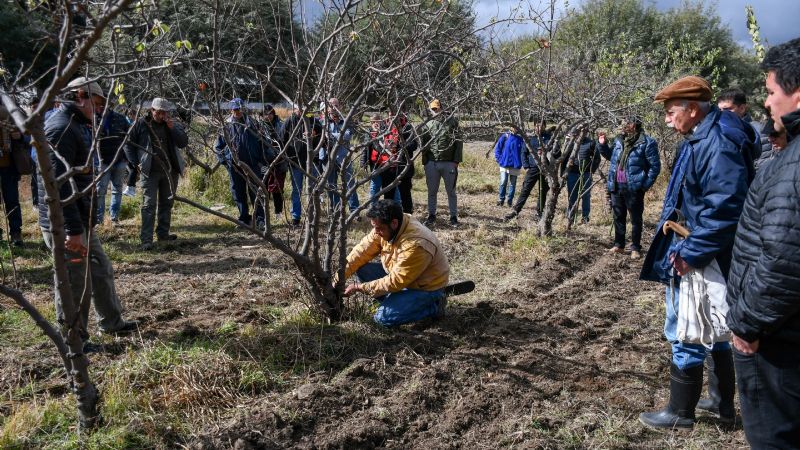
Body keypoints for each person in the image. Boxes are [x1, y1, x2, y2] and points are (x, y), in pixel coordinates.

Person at [639, 75, 754, 429]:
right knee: (713, 323)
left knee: (684, 324)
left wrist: (690, 252)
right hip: (705, 245)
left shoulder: (716, 142)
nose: (667, 120)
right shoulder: (703, 135)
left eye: (670, 112)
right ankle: (720, 403)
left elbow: (724, 208)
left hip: (702, 248)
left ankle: (680, 412)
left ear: (692, 109)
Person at [725, 37, 800, 448]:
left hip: (777, 339)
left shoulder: (795, 163)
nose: (767, 103)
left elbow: (784, 257)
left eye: (771, 92)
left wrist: (747, 323)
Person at [40, 77, 138, 347]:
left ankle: (112, 323)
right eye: (95, 104)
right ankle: (74, 341)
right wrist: (72, 231)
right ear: (80, 96)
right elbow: (59, 186)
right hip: (65, 225)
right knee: (74, 283)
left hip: (80, 219)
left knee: (100, 268)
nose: (98, 110)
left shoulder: (79, 125)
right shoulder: (61, 128)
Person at [342, 199, 449, 327]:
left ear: (394, 223)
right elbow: (360, 253)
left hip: (424, 288)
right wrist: (337, 279)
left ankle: (434, 306)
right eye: (374, 227)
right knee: (363, 269)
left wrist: (360, 287)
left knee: (382, 318)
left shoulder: (416, 244)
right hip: (402, 277)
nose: (375, 232)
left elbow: (396, 281)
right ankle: (396, 302)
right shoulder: (385, 226)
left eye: (379, 228)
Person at [125, 97, 189, 250]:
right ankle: (146, 240)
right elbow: (127, 144)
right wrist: (135, 163)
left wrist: (172, 128)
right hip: (149, 172)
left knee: (167, 203)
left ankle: (163, 234)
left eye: (165, 112)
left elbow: (183, 142)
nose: (162, 115)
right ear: (152, 110)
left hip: (170, 171)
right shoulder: (141, 123)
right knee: (149, 205)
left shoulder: (172, 124)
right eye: (159, 112)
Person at [598, 117, 660, 259]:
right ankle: (619, 245)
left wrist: (644, 185)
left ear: (635, 125)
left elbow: (655, 167)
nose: (624, 125)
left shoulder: (647, 142)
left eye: (627, 122)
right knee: (618, 216)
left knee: (635, 219)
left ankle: (635, 248)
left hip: (634, 186)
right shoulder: (619, 140)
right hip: (617, 184)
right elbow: (611, 157)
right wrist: (602, 145)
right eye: (623, 122)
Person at [215, 98, 270, 227]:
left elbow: (265, 144)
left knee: (256, 192)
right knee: (238, 192)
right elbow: (218, 148)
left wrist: (261, 163)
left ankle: (260, 220)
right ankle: (244, 218)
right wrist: (226, 162)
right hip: (235, 167)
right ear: (231, 110)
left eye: (240, 109)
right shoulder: (226, 126)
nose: (238, 112)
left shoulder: (254, 124)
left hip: (253, 165)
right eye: (235, 109)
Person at [420, 99, 462, 227]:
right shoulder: (428, 124)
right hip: (432, 164)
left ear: (442, 108)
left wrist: (456, 161)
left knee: (451, 192)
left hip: (449, 163)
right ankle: (431, 215)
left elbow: (459, 142)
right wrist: (425, 162)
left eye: (437, 108)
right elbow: (423, 144)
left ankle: (453, 217)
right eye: (432, 109)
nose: (435, 111)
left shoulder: (452, 122)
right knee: (432, 191)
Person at [282, 104, 323, 226]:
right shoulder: (290, 121)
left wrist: (313, 136)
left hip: (312, 161)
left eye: (304, 108)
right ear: (295, 109)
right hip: (296, 162)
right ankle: (296, 217)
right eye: (299, 108)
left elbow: (322, 138)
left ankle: (312, 215)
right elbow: (282, 138)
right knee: (296, 190)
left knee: (313, 190)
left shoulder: (313, 120)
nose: (301, 111)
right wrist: (287, 156)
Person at [505, 124, 553, 221]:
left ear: (544, 126)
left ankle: (539, 212)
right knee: (525, 190)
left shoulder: (550, 139)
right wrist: (526, 166)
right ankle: (516, 211)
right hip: (532, 168)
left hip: (545, 169)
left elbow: (556, 153)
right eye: (537, 126)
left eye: (541, 126)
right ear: (535, 127)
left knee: (543, 192)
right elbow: (523, 152)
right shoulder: (530, 139)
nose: (539, 128)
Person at [717, 88, 771, 173]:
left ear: (742, 108)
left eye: (727, 109)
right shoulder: (717, 131)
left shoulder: (758, 131)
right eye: (719, 110)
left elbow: (764, 165)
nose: (722, 113)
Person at [322, 98, 360, 214]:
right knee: (331, 185)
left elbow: (347, 136)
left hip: (344, 158)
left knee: (350, 184)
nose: (334, 108)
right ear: (327, 108)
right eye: (331, 106)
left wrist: (330, 135)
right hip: (328, 158)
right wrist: (338, 135)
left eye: (336, 105)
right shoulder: (323, 122)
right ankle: (336, 210)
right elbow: (323, 137)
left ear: (340, 107)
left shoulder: (347, 121)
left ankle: (354, 210)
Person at [94, 102, 130, 224]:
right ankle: (99, 221)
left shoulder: (120, 118)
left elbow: (128, 137)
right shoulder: (93, 119)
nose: (101, 106)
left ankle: (114, 219)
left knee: (117, 189)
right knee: (100, 191)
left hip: (119, 160)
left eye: (103, 104)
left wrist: (126, 157)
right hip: (102, 162)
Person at [0, 107, 26, 246]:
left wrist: (19, 137)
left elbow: (25, 136)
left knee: (12, 201)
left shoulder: (10, 116)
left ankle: (16, 233)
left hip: (9, 167)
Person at [564, 130, 601, 225]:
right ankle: (570, 217)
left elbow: (597, 158)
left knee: (586, 195)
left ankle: (585, 217)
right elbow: (564, 158)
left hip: (586, 174)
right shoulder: (570, 143)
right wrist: (563, 173)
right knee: (572, 196)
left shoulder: (591, 143)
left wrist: (591, 170)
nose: (578, 135)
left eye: (580, 132)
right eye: (576, 133)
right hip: (572, 173)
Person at [386, 108, 418, 214]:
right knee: (388, 194)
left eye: (394, 115)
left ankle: (408, 215)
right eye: (390, 115)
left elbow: (414, 145)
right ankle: (389, 216)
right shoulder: (386, 127)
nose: (392, 117)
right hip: (388, 166)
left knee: (405, 193)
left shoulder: (407, 127)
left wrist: (399, 146)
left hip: (403, 166)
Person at [260, 104, 287, 216]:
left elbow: (286, 141)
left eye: (270, 113)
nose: (268, 116)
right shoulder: (258, 127)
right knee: (264, 186)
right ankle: (264, 213)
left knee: (277, 187)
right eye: (265, 114)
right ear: (262, 115)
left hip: (280, 161)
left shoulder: (281, 124)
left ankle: (278, 212)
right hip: (264, 162)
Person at [493, 128, 524, 207]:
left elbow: (523, 152)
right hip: (504, 163)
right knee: (503, 181)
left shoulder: (520, 139)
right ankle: (501, 199)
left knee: (512, 184)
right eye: (513, 127)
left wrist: (521, 162)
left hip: (515, 165)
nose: (514, 129)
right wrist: (499, 159)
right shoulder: (505, 136)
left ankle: (509, 201)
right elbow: (498, 149)